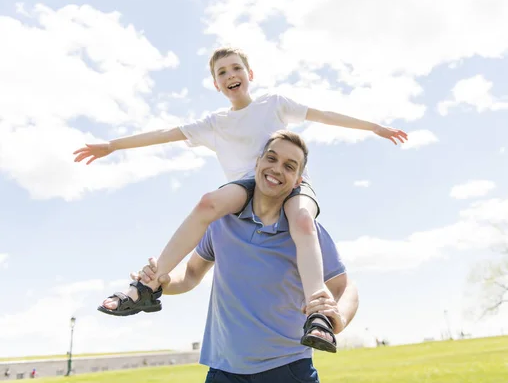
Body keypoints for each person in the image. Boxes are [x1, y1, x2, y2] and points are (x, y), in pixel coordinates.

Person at [73, 46, 404, 351]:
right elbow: (165, 134)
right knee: (207, 203)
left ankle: (317, 308)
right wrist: (113, 145)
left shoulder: (274, 104)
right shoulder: (215, 124)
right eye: (222, 72)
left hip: (288, 184)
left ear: (250, 74)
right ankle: (147, 285)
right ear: (216, 84)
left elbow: (324, 114)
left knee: (302, 220)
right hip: (247, 187)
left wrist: (374, 127)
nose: (230, 75)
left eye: (236, 68)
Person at [132, 131, 359, 382]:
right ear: (257, 163)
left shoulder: (306, 232)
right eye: (271, 159)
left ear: (297, 181)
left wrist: (338, 319)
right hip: (223, 369)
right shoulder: (221, 222)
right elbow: (192, 273)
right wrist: (164, 281)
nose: (276, 169)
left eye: (289, 166)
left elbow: (345, 286)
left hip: (288, 368)